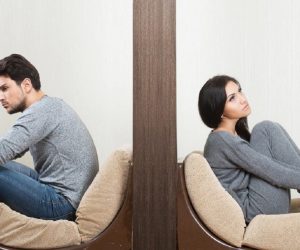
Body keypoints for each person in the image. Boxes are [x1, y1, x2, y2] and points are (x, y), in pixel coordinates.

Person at [0, 54, 99, 221]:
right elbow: (11, 149)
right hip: (60, 191)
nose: (0, 97)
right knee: (6, 165)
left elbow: (2, 149)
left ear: (26, 85)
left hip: (63, 204)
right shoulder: (50, 106)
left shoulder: (41, 111)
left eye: (4, 88)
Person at [198, 75, 300, 223]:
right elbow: (269, 169)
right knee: (264, 129)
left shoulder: (232, 135)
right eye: (232, 98)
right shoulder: (221, 140)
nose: (242, 99)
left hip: (260, 204)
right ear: (220, 111)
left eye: (240, 91)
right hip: (256, 211)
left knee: (267, 128)